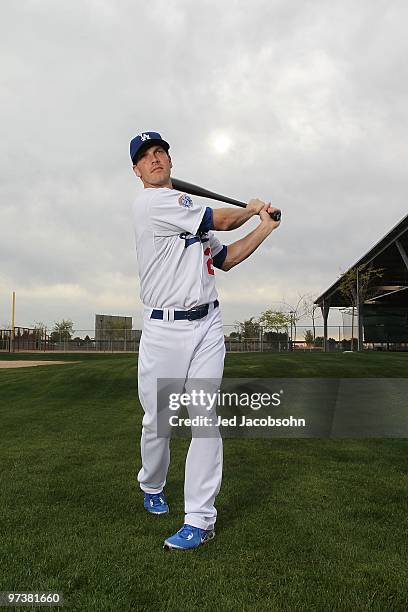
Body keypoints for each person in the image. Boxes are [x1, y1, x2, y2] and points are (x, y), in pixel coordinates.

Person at [130, 131, 281, 550]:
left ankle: (200, 518)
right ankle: (152, 483)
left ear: (170, 162)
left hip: (207, 326)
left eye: (160, 152)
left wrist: (264, 227)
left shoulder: (188, 210)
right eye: (146, 156)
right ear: (137, 170)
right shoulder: (152, 204)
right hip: (164, 328)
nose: (155, 159)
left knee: (204, 418)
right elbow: (222, 219)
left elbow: (226, 257)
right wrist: (248, 209)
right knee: (157, 420)